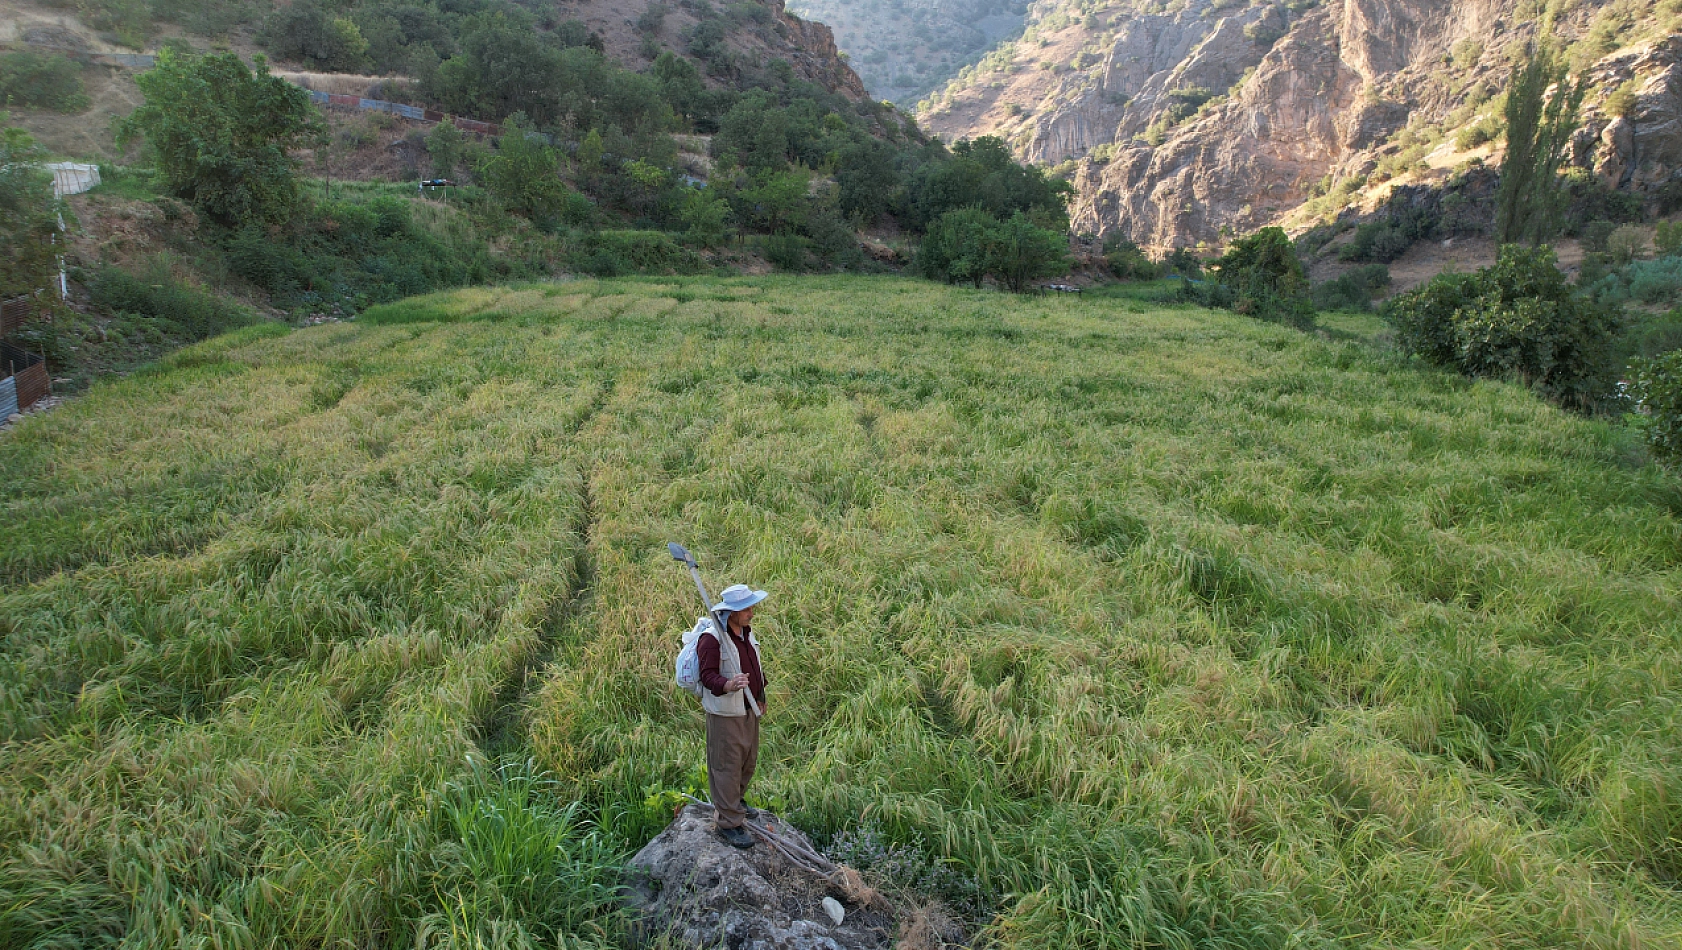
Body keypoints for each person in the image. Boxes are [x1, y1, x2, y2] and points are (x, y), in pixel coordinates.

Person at [696, 583, 768, 849]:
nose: (751, 612)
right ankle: (729, 823)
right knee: (726, 766)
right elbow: (707, 676)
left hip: (749, 709)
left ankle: (735, 802)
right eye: (746, 608)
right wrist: (728, 684)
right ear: (732, 612)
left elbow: (756, 668)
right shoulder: (712, 639)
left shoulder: (746, 634)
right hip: (726, 715)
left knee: (747, 761)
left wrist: (761, 697)